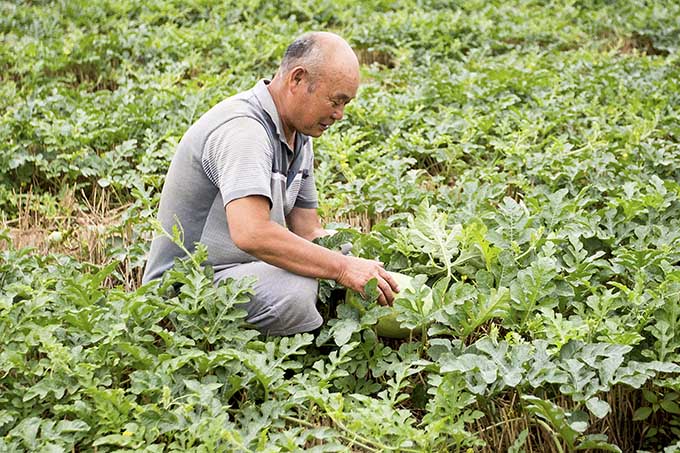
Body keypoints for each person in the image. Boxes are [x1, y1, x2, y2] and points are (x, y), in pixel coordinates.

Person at [142, 32, 399, 336]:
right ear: (298, 80)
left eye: (346, 104)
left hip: (244, 271)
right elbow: (252, 233)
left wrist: (359, 257)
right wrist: (343, 269)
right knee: (297, 290)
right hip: (187, 287)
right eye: (336, 101)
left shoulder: (300, 136)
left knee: (346, 248)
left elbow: (308, 231)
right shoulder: (244, 131)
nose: (340, 115)